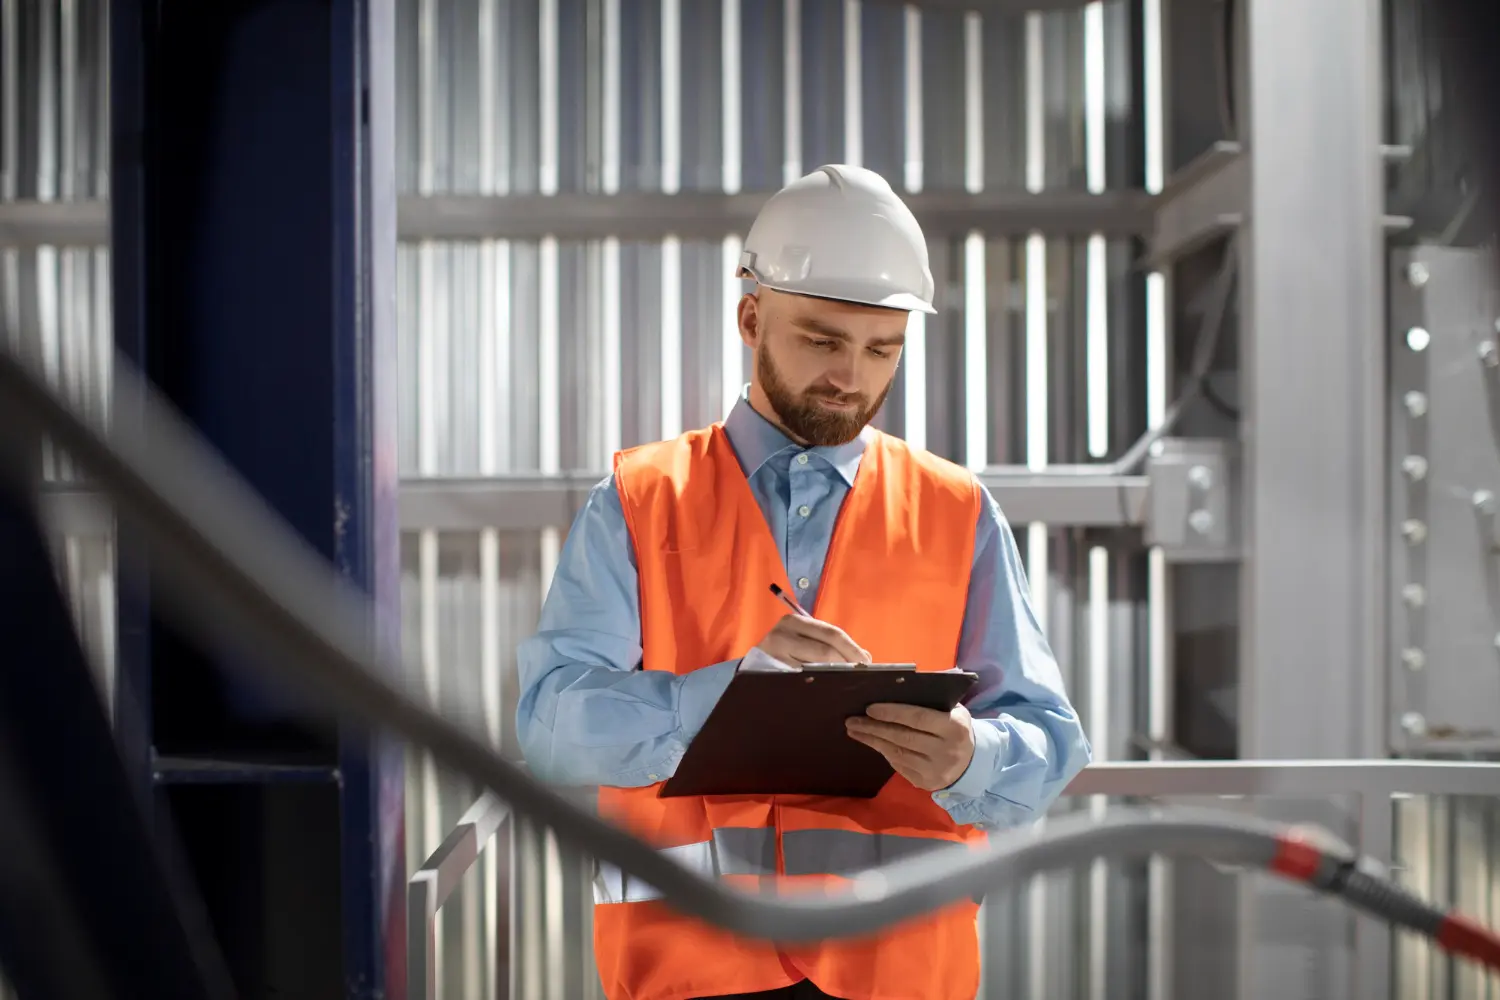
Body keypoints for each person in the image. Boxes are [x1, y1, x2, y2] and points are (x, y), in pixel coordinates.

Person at [515, 164, 1091, 1000]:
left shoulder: (957, 510)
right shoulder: (642, 500)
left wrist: (973, 758)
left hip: (901, 974)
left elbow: (1050, 742)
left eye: (881, 349)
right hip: (689, 972)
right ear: (752, 318)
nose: (852, 378)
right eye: (823, 341)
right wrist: (721, 701)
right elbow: (549, 728)